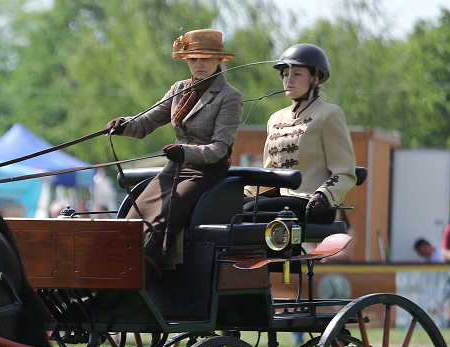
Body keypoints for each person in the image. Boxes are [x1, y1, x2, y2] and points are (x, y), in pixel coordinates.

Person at [106, 29, 242, 274]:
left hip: (206, 173)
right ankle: (114, 276)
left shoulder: (230, 97)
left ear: (219, 60)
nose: (198, 64)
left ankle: (143, 279)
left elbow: (221, 149)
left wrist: (185, 152)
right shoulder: (179, 89)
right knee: (133, 218)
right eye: (193, 59)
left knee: (160, 220)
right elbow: (146, 122)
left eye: (205, 58)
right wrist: (123, 125)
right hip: (174, 168)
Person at [243, 44, 356, 224]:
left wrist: (324, 195)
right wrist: (241, 193)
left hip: (314, 202)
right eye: (285, 75)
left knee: (249, 211)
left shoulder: (329, 114)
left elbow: (345, 172)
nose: (289, 80)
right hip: (279, 198)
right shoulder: (275, 118)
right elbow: (268, 173)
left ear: (316, 78)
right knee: (232, 207)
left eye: (297, 74)